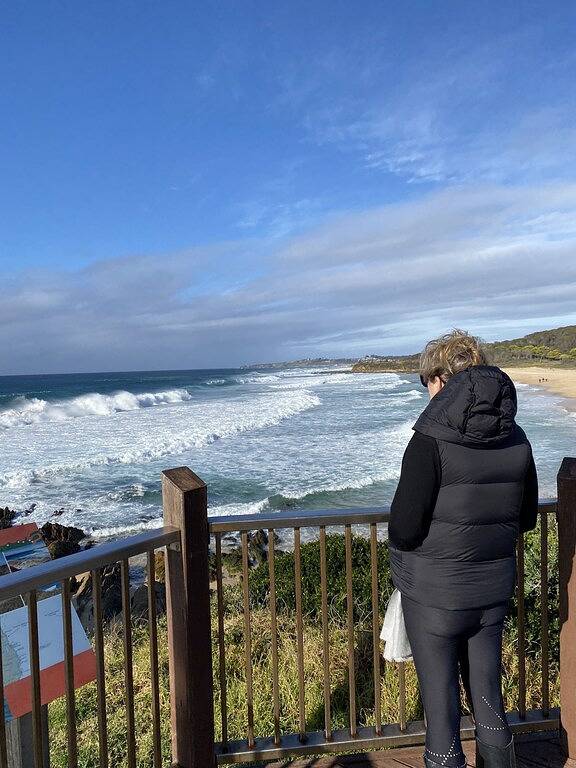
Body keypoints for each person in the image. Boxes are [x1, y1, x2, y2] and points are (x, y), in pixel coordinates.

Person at [387, 329, 538, 768]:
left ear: (441, 380)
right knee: (489, 700)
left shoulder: (429, 440)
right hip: (491, 592)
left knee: (441, 712)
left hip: (435, 596)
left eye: (427, 382)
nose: (427, 392)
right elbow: (525, 517)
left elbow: (404, 529)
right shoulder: (517, 437)